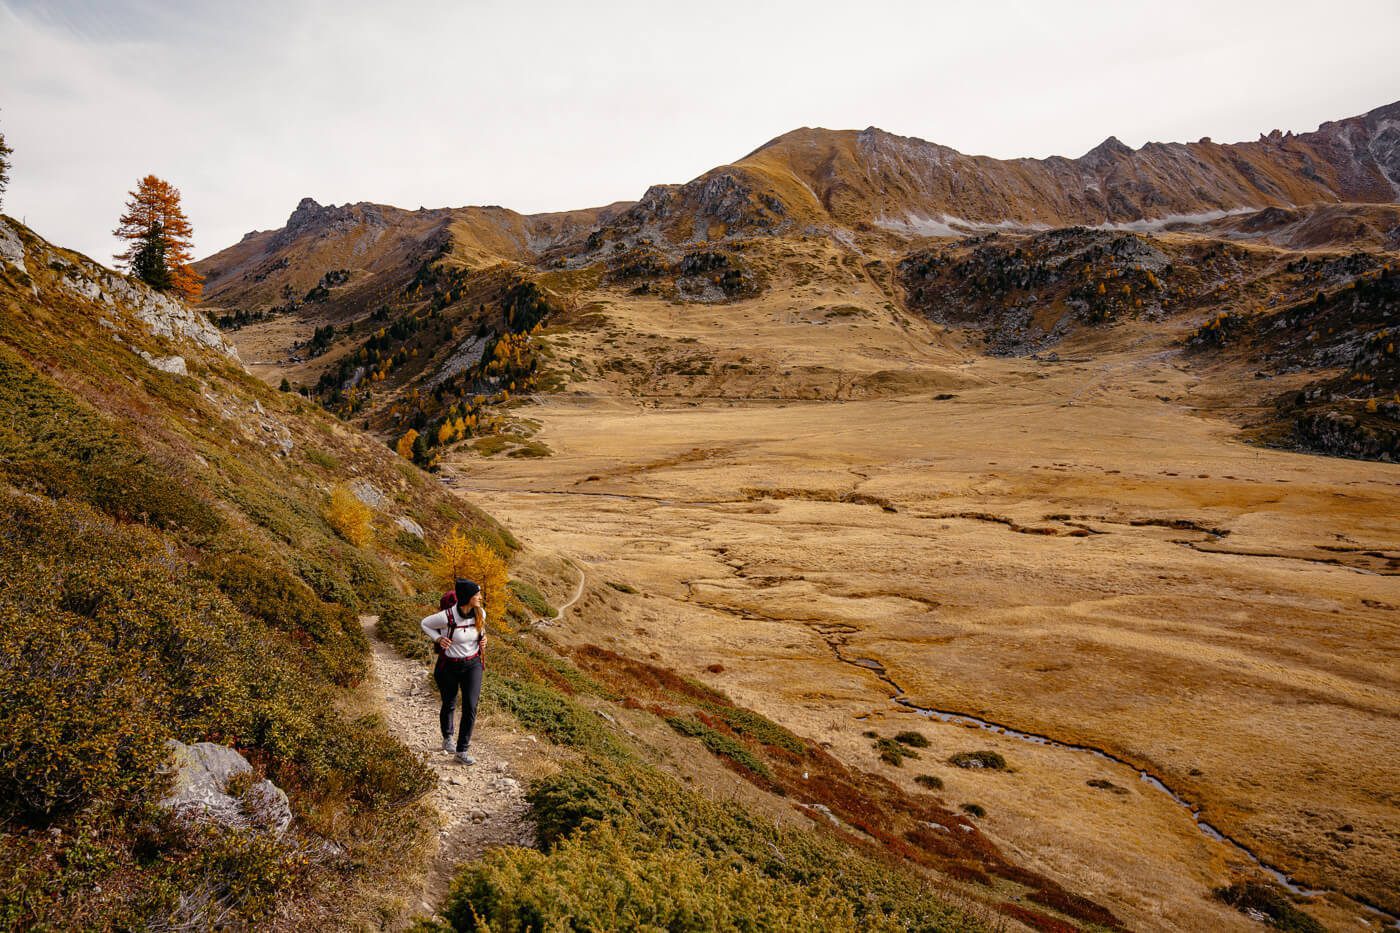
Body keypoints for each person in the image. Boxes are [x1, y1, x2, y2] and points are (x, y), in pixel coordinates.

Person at [421, 578, 486, 764]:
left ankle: (462, 751)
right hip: (448, 666)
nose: (480, 597)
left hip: (472, 664)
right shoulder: (446, 616)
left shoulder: (480, 613)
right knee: (449, 703)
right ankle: (447, 737)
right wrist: (438, 638)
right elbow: (424, 623)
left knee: (470, 706)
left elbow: (480, 631)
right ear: (467, 597)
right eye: (477, 594)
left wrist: (483, 639)